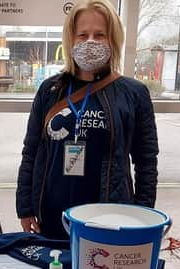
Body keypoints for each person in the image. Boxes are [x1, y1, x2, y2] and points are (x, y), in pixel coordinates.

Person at [16, 0, 158, 239]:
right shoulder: (50, 91)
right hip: (52, 216)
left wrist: (143, 216)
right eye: (82, 35)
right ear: (71, 39)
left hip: (109, 220)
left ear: (113, 40)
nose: (90, 41)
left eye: (100, 34)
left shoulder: (133, 93)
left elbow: (146, 161)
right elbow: (31, 151)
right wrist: (25, 208)